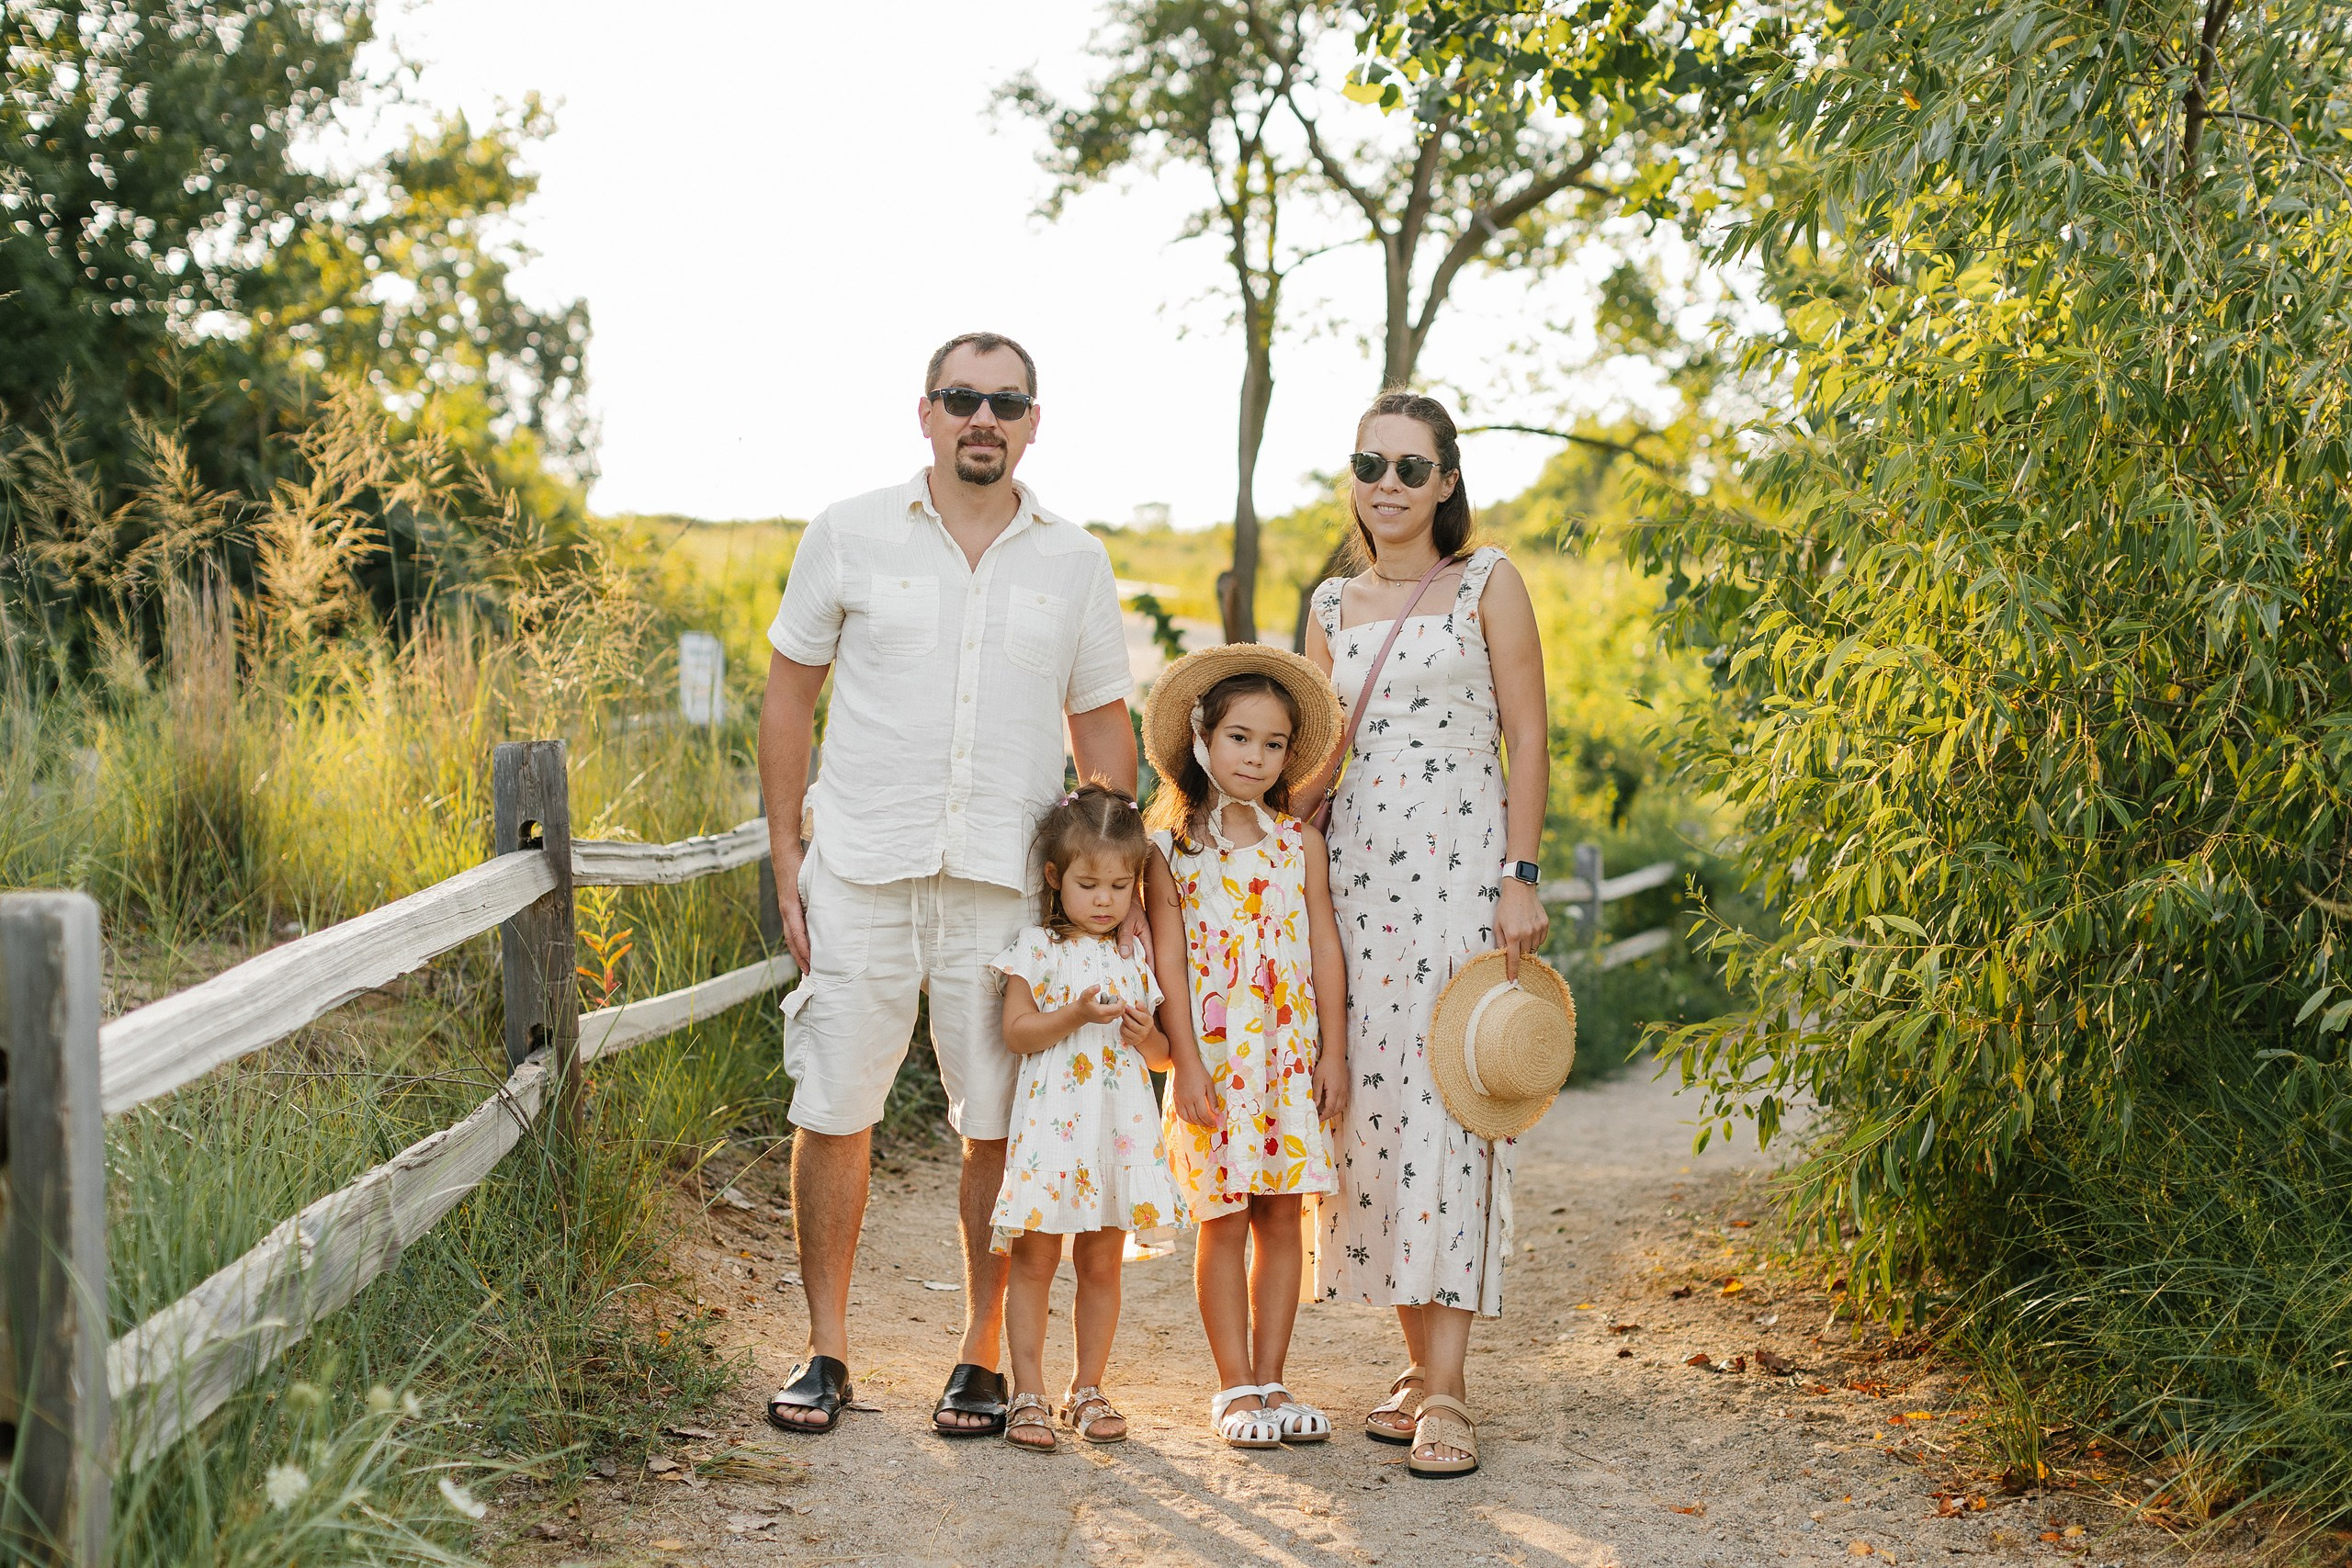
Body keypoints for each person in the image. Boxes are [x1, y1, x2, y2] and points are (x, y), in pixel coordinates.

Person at [757, 332, 1141, 1438]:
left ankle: (979, 1355)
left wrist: (1109, 905)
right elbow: (788, 697)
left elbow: (1102, 731)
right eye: (962, 398)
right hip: (861, 869)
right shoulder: (849, 532)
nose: (985, 418)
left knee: (1002, 1126)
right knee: (833, 1107)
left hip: (1002, 888)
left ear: (1033, 422)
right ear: (924, 412)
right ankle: (826, 1351)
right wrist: (788, 856)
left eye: (1006, 402)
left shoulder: (1075, 560)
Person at [1296, 389, 1552, 1480]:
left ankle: (1449, 1391)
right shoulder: (1325, 603)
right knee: (1372, 1119)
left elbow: (1528, 733)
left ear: (1446, 481)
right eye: (1370, 465)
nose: (1386, 486)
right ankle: (1414, 1363)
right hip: (1352, 886)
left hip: (1457, 882)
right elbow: (1310, 755)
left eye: (1410, 468)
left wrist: (1519, 874)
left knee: (1450, 1106)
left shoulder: (1487, 581)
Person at [1141, 647, 1350, 1450]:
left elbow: (1324, 947)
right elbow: (1169, 961)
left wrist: (1331, 1053)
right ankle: (1231, 1386)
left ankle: (1272, 1375)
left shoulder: (1301, 844)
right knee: (1221, 1218)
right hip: (1217, 1061)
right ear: (1201, 735)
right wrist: (1184, 1060)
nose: (1255, 757)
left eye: (1271, 744)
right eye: (1239, 737)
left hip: (1288, 1060)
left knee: (1281, 1213)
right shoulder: (1170, 850)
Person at [987, 783, 1182, 1453]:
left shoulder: (1134, 955)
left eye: (1120, 886)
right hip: (1051, 1139)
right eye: (1089, 883)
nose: (1105, 899)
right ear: (1055, 877)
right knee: (1035, 1261)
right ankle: (1028, 1390)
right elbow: (1018, 1032)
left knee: (1103, 1264)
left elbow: (1161, 1057)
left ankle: (1088, 1385)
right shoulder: (1036, 947)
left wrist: (1141, 1033)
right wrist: (1073, 1012)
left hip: (1114, 1139)